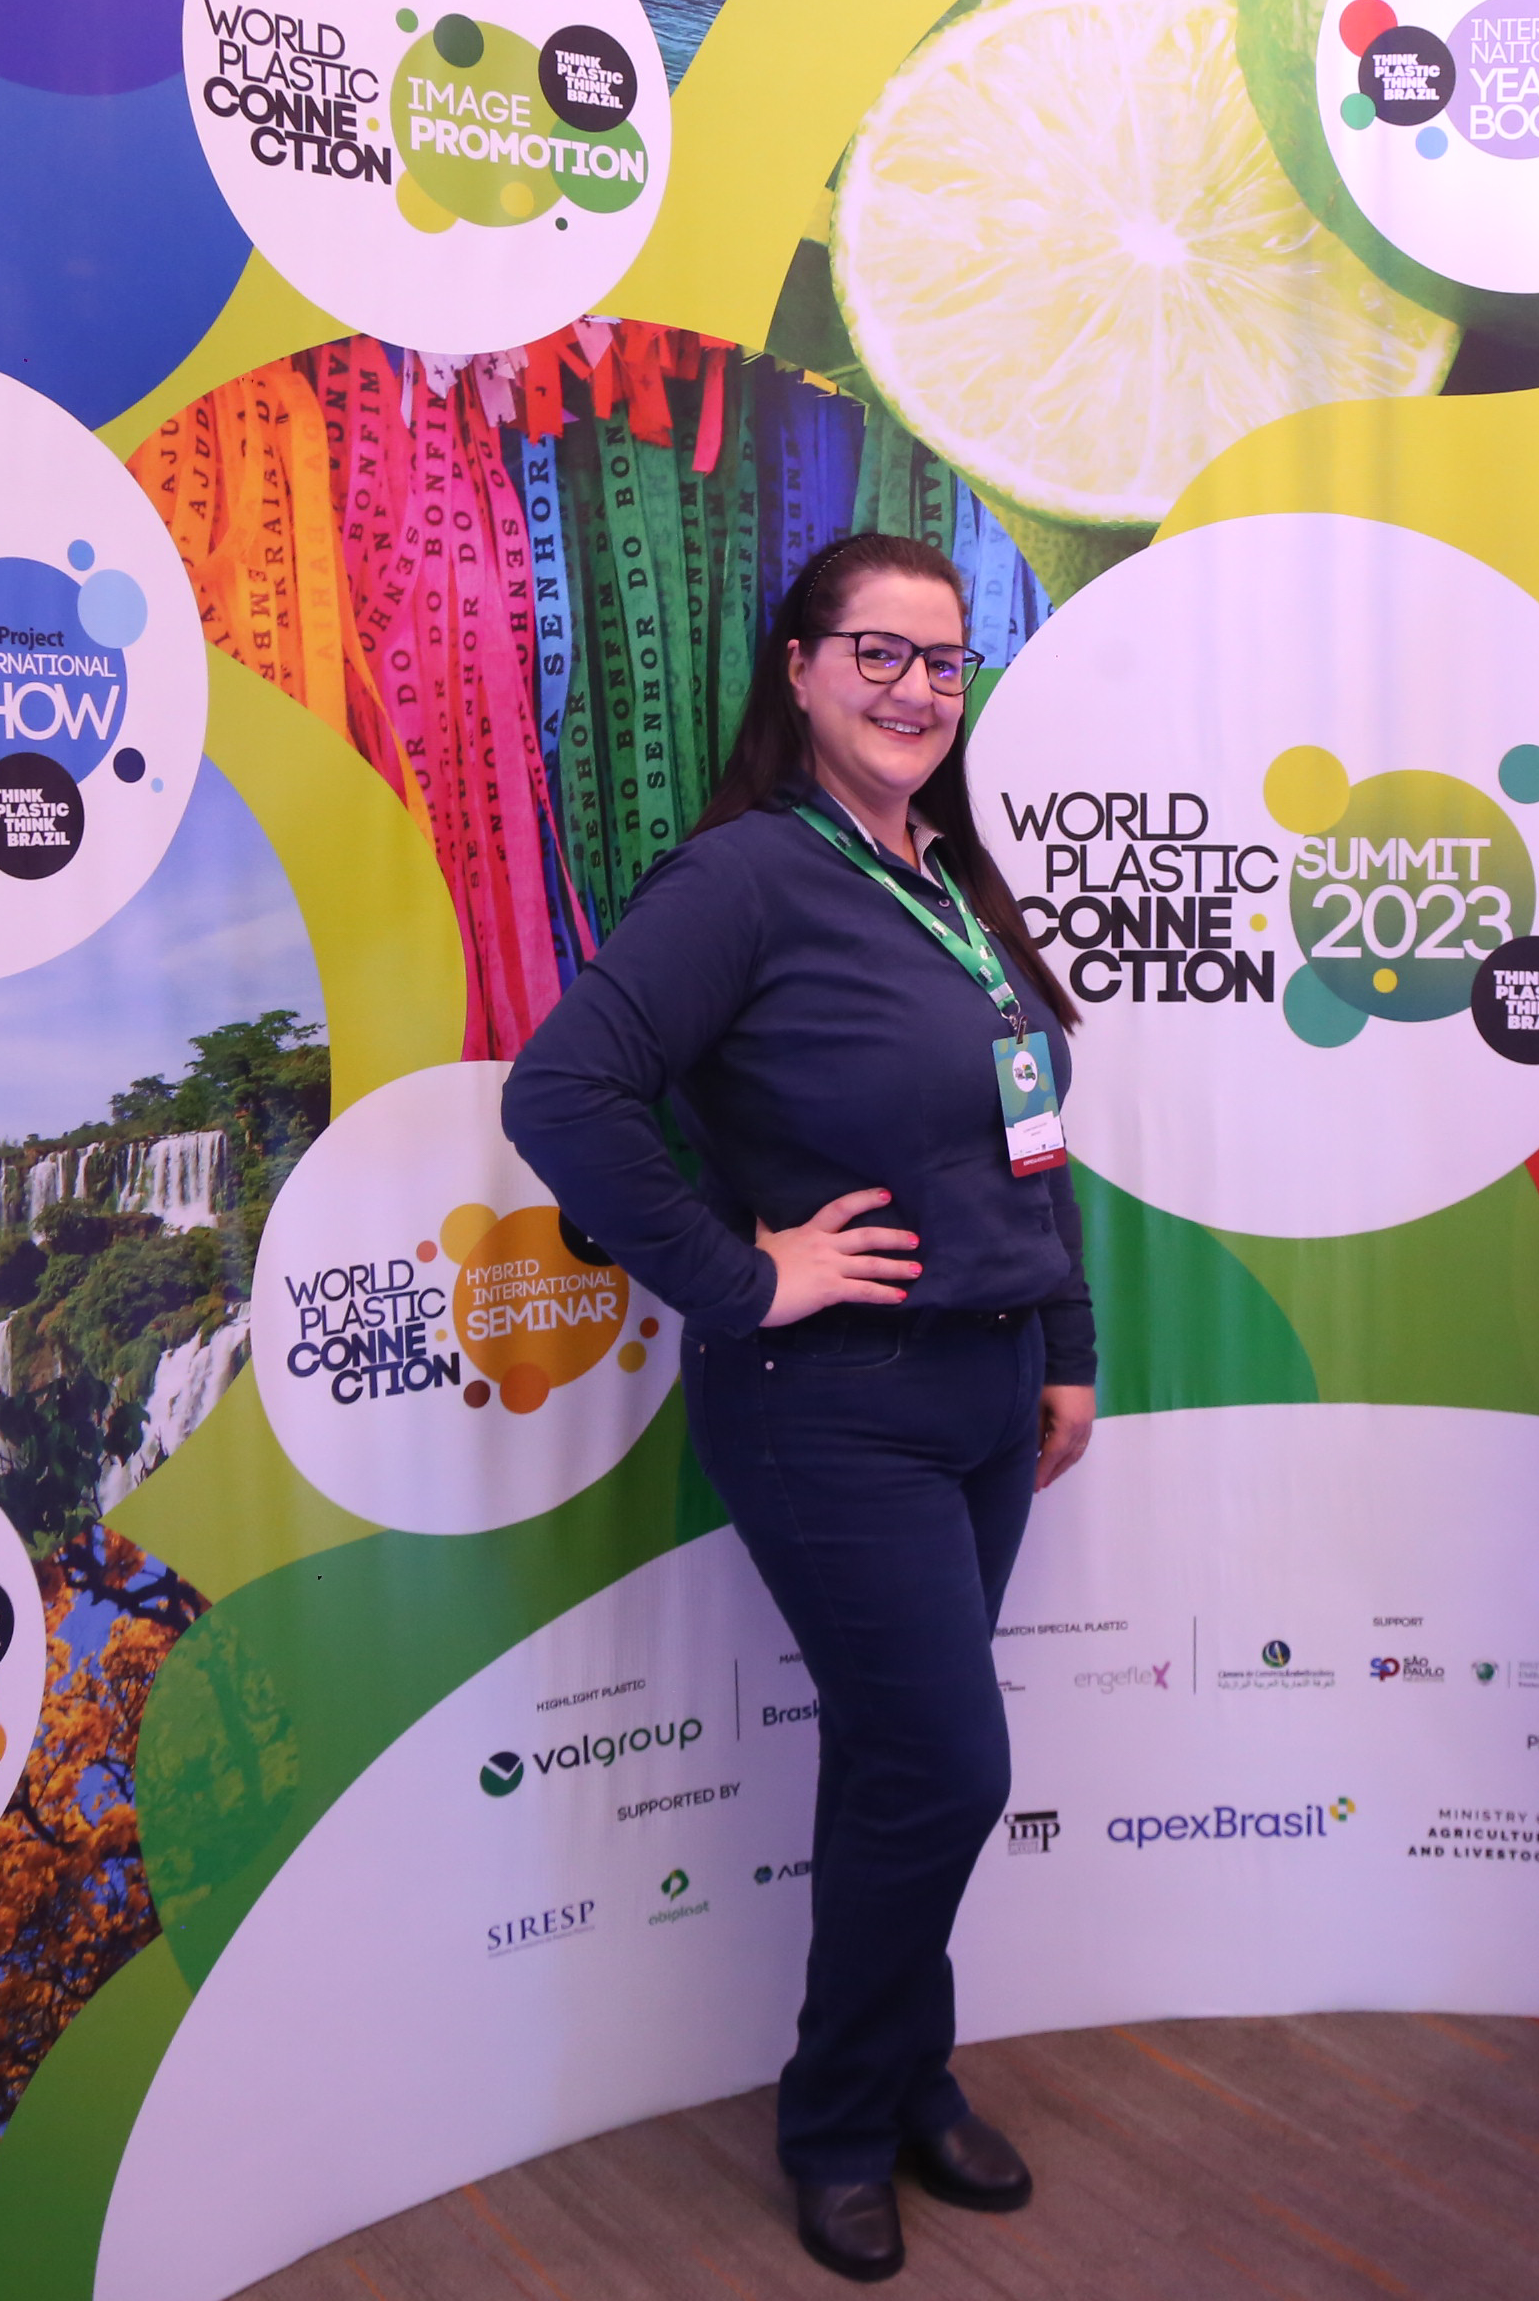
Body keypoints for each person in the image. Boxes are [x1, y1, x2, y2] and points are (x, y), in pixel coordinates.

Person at [504, 533, 1097, 2286]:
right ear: (802, 669)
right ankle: (836, 2124)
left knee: (894, 1767)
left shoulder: (951, 878)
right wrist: (745, 1277)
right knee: (950, 1766)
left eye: (944, 658)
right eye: (878, 653)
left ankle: (909, 2080)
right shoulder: (747, 879)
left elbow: (1029, 1137)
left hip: (989, 1389)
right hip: (831, 1406)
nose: (916, 687)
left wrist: (1065, 1344)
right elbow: (564, 1093)